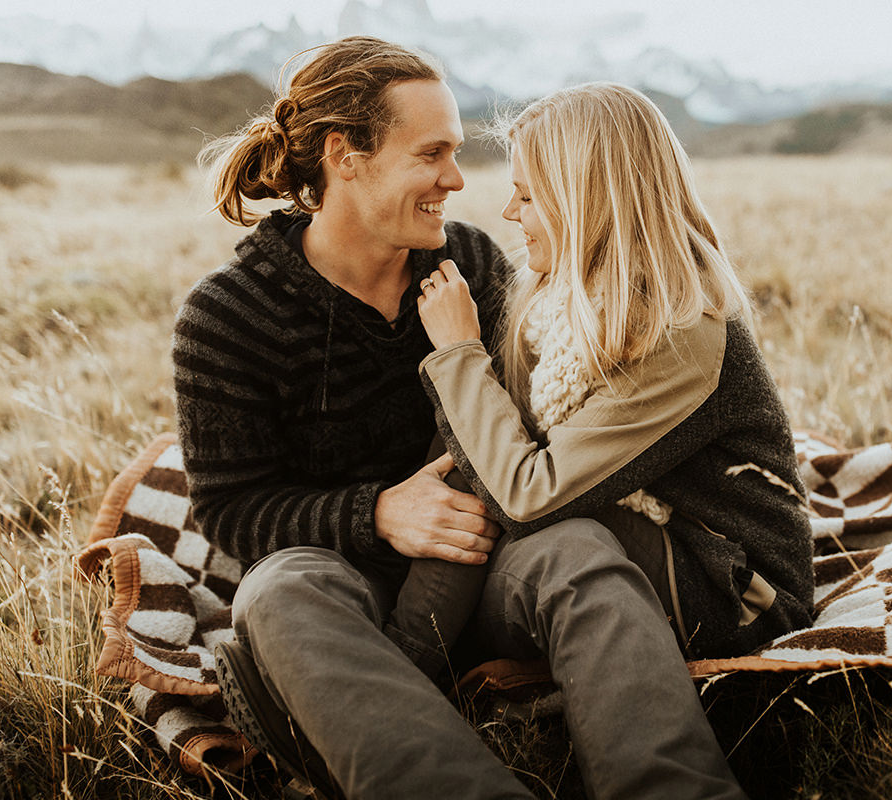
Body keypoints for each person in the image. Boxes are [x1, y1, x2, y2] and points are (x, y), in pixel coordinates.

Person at [174, 36, 787, 800]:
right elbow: (231, 511)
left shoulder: (467, 264)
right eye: (432, 154)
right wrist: (379, 515)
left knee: (576, 546)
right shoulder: (228, 315)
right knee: (276, 591)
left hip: (491, 561)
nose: (457, 181)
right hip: (350, 580)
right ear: (346, 156)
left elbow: (516, 443)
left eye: (457, 152)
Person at [415, 80, 815, 786]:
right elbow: (499, 460)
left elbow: (527, 494)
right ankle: (399, 658)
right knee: (469, 479)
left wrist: (456, 355)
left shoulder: (677, 332)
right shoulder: (558, 301)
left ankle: (403, 663)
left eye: (530, 196)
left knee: (529, 512)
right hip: (634, 541)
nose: (510, 213)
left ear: (587, 201)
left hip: (727, 586)